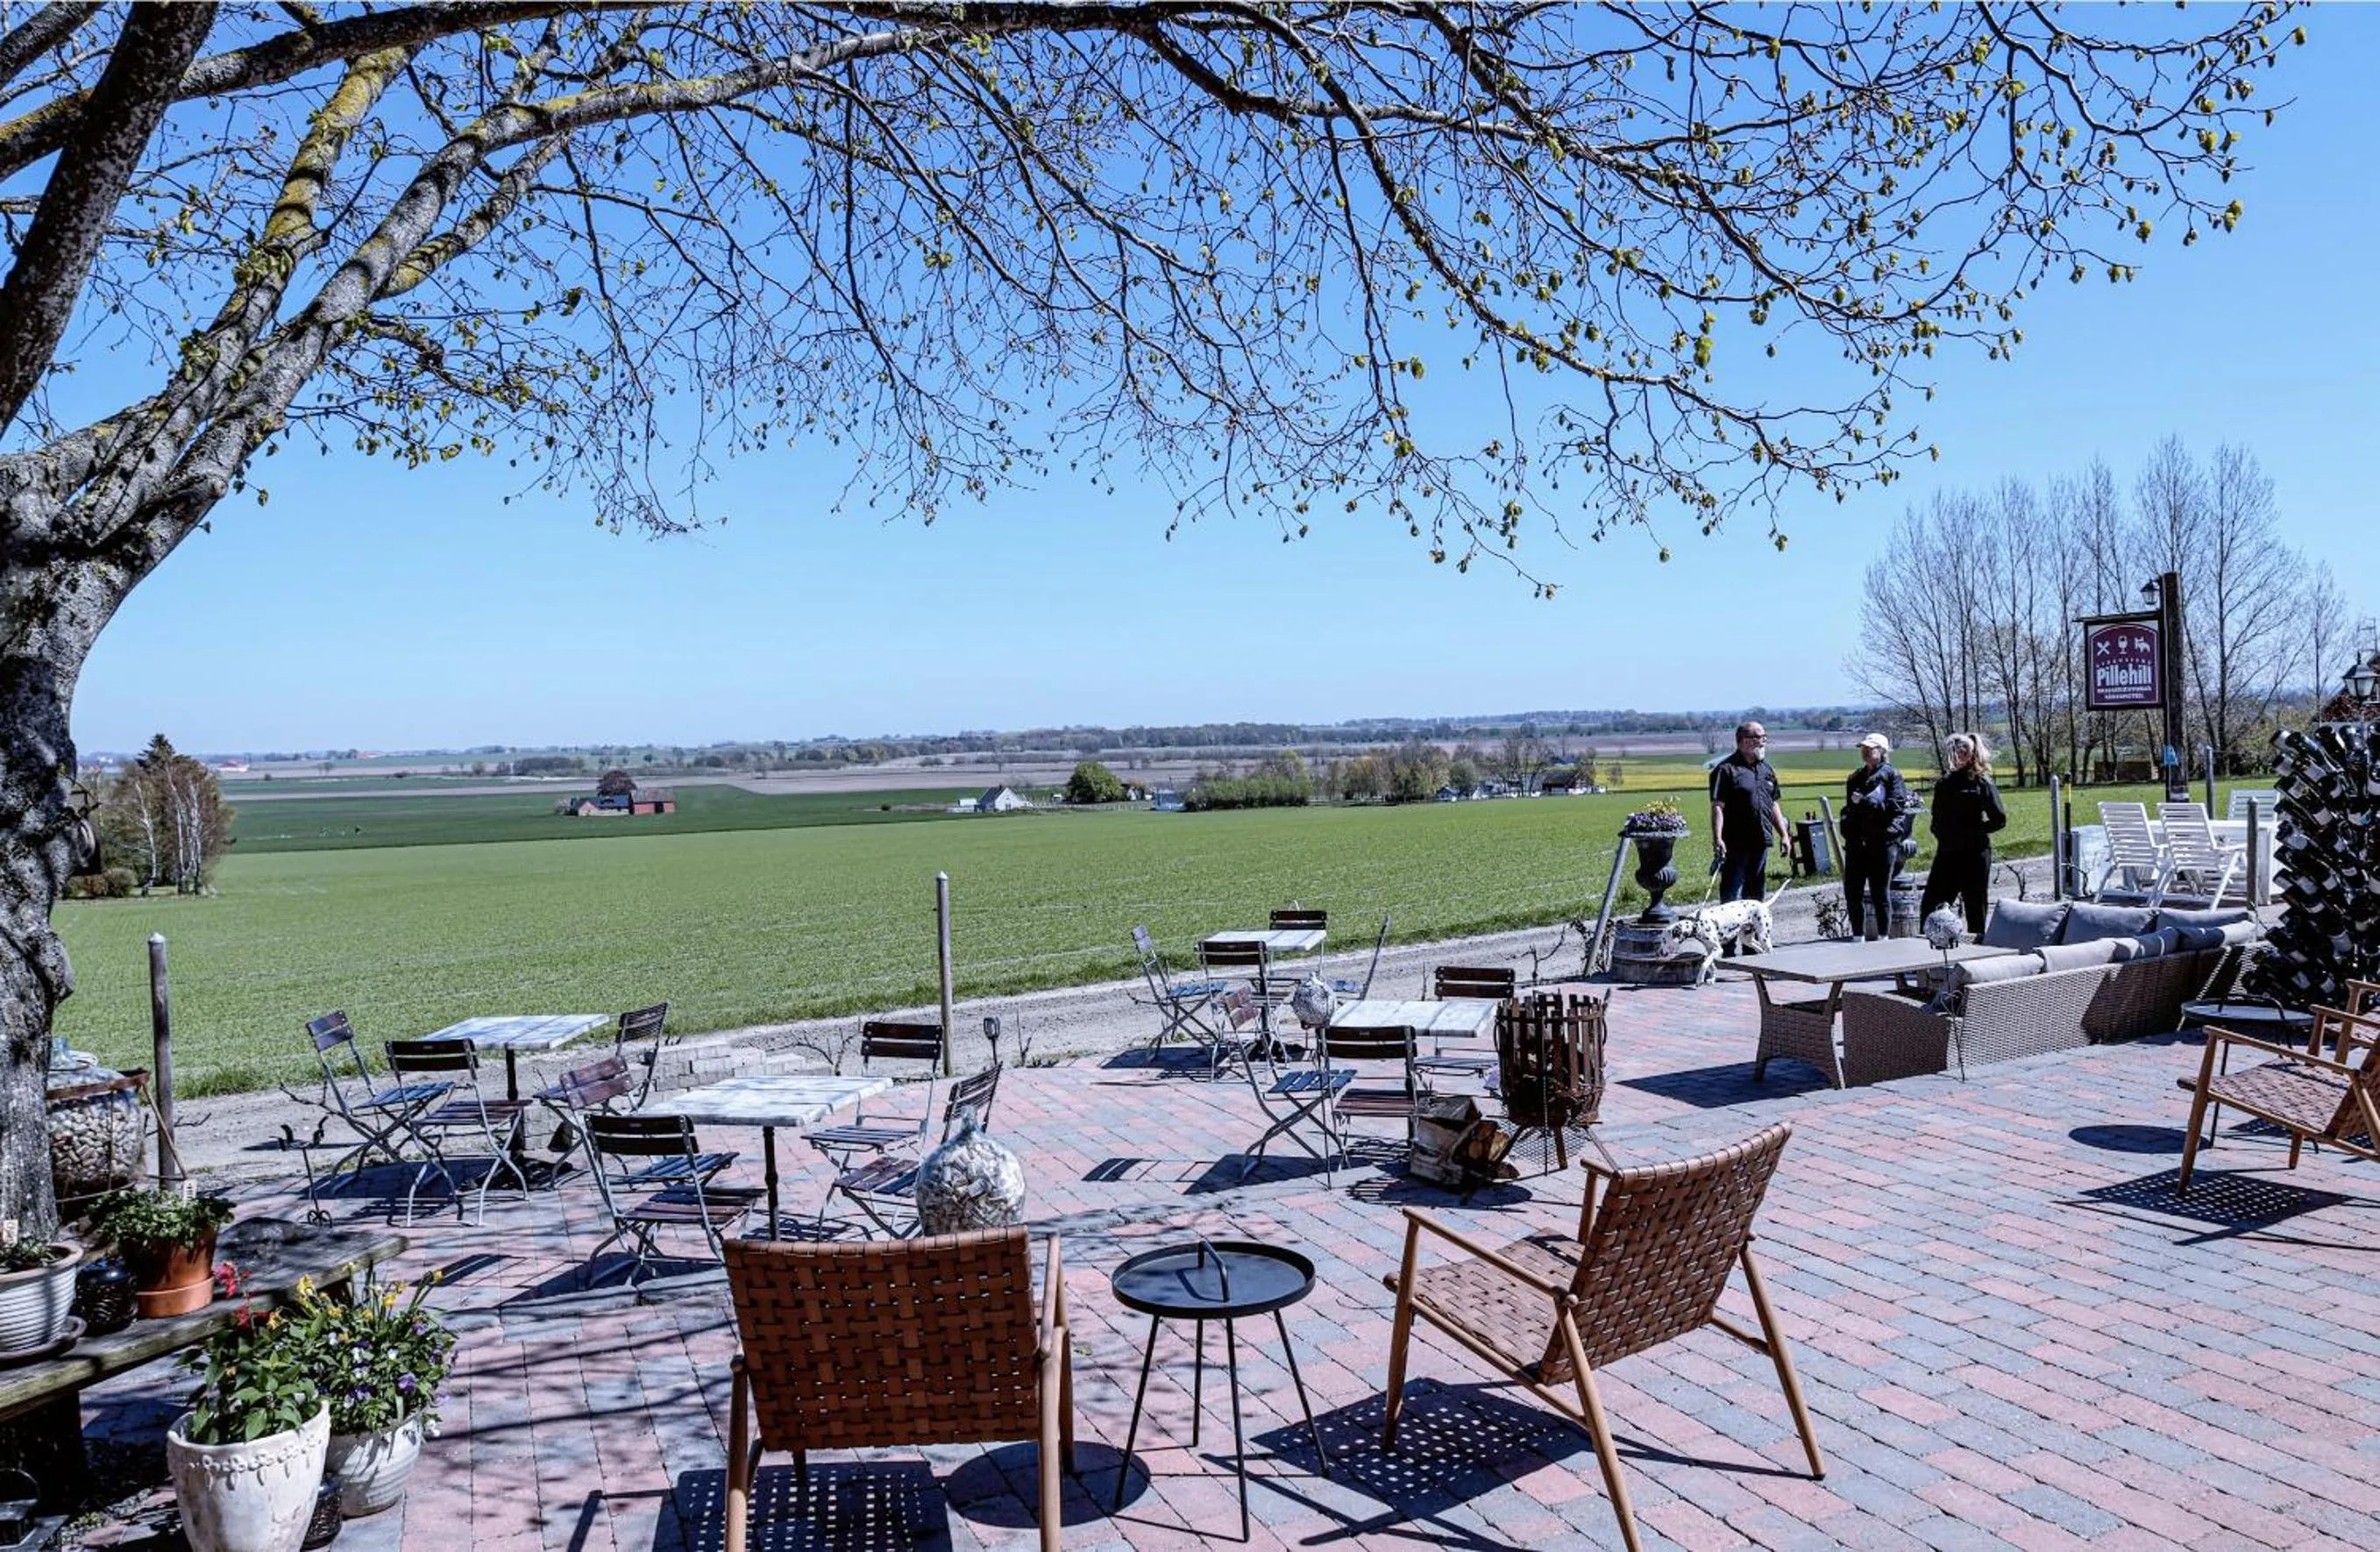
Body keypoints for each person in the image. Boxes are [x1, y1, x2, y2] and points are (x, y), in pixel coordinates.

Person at [1921, 731, 2007, 935]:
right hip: (1947, 853)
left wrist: (1972, 832)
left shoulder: (1981, 782)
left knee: (1975, 907)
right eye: (1953, 753)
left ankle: (1977, 950)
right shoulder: (1944, 783)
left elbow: (1999, 819)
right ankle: (1932, 945)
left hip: (1974, 854)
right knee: (1931, 905)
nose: (1956, 757)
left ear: (1970, 754)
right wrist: (1941, 833)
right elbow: (1936, 818)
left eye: (1961, 753)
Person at [1839, 732, 1912, 940]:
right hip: (1856, 843)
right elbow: (1849, 809)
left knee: (1880, 893)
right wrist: (1847, 828)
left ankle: (1882, 939)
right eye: (1863, 748)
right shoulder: (1855, 777)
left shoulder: (1892, 776)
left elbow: (1895, 808)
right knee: (1853, 893)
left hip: (1882, 842)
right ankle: (1857, 938)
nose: (1865, 751)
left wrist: (1866, 803)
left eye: (1870, 748)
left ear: (1882, 751)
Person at [1709, 722, 1788, 903]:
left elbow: (1773, 804)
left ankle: (1752, 931)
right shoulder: (1725, 770)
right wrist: (1718, 838)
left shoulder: (1766, 770)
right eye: (1760, 738)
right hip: (1736, 843)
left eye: (1764, 738)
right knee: (1733, 894)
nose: (1764, 742)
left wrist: (1783, 834)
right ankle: (1730, 931)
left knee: (1755, 895)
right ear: (1744, 741)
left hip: (1760, 840)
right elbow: (1718, 806)